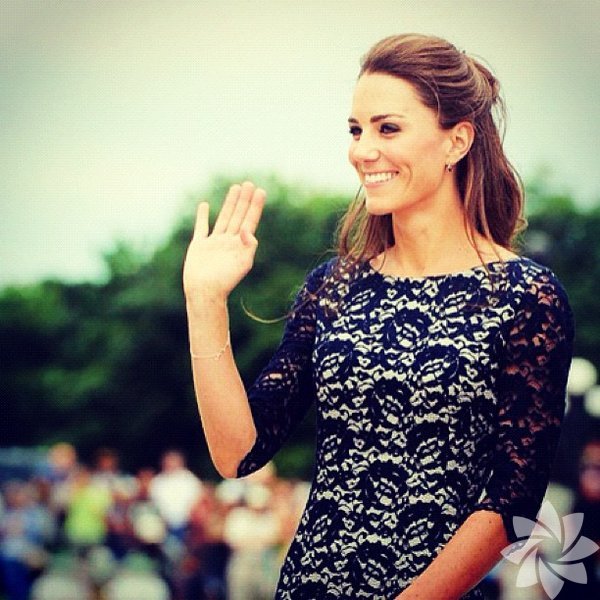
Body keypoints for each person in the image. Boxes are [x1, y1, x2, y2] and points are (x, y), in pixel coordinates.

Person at [182, 33, 575, 599]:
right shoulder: (334, 287)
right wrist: (205, 302)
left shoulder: (525, 295)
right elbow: (238, 453)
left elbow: (513, 501)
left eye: (387, 128)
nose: (362, 150)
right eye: (355, 130)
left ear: (457, 141)